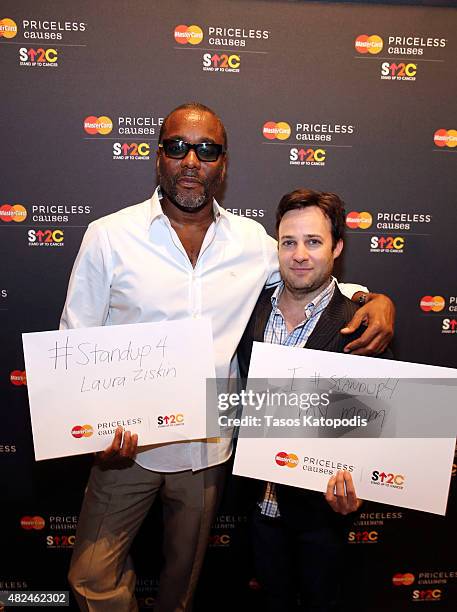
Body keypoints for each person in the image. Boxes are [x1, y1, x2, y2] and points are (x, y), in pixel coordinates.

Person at [61, 103, 394, 612]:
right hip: (126, 447)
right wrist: (89, 432)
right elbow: (75, 339)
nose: (191, 160)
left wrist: (374, 300)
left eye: (207, 149)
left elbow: (305, 273)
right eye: (177, 146)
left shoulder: (251, 243)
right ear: (158, 158)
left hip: (207, 451)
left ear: (223, 163)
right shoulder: (110, 236)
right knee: (91, 575)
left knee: (182, 583)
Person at [237, 188, 393, 612]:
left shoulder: (361, 325)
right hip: (258, 508)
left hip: (322, 516)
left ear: (337, 247)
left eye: (313, 242)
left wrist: (361, 488)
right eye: (288, 242)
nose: (299, 254)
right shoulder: (248, 312)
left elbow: (380, 428)